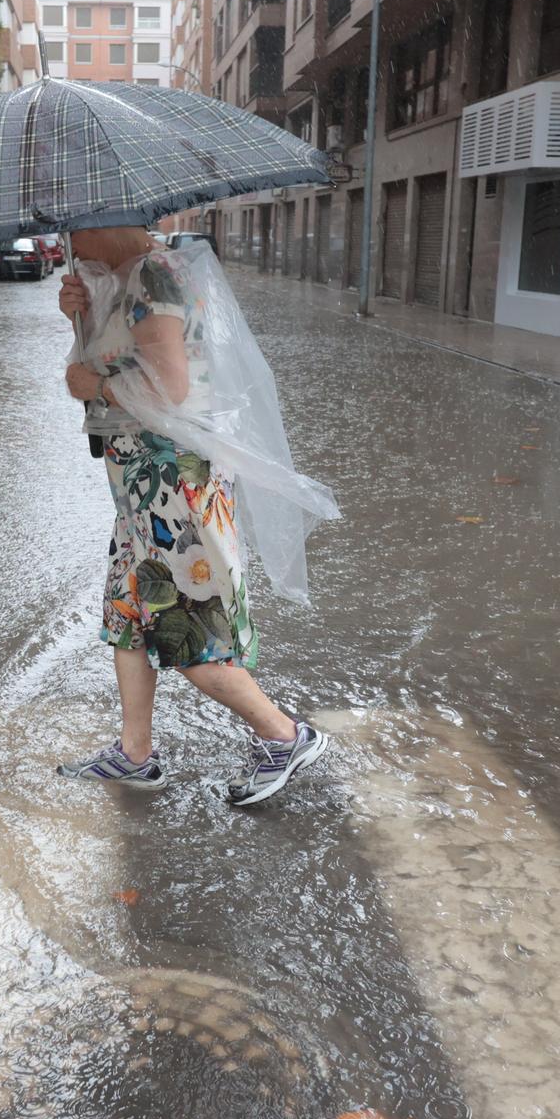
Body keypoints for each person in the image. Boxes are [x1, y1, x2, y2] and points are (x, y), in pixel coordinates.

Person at [54, 226, 332, 806]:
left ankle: (285, 736)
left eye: (78, 226)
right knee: (128, 612)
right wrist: (78, 314)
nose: (72, 237)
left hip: (173, 481)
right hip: (141, 485)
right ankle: (135, 754)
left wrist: (95, 387)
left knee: (188, 627)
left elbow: (172, 388)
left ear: (110, 221)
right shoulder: (125, 279)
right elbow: (124, 354)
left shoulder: (154, 275)